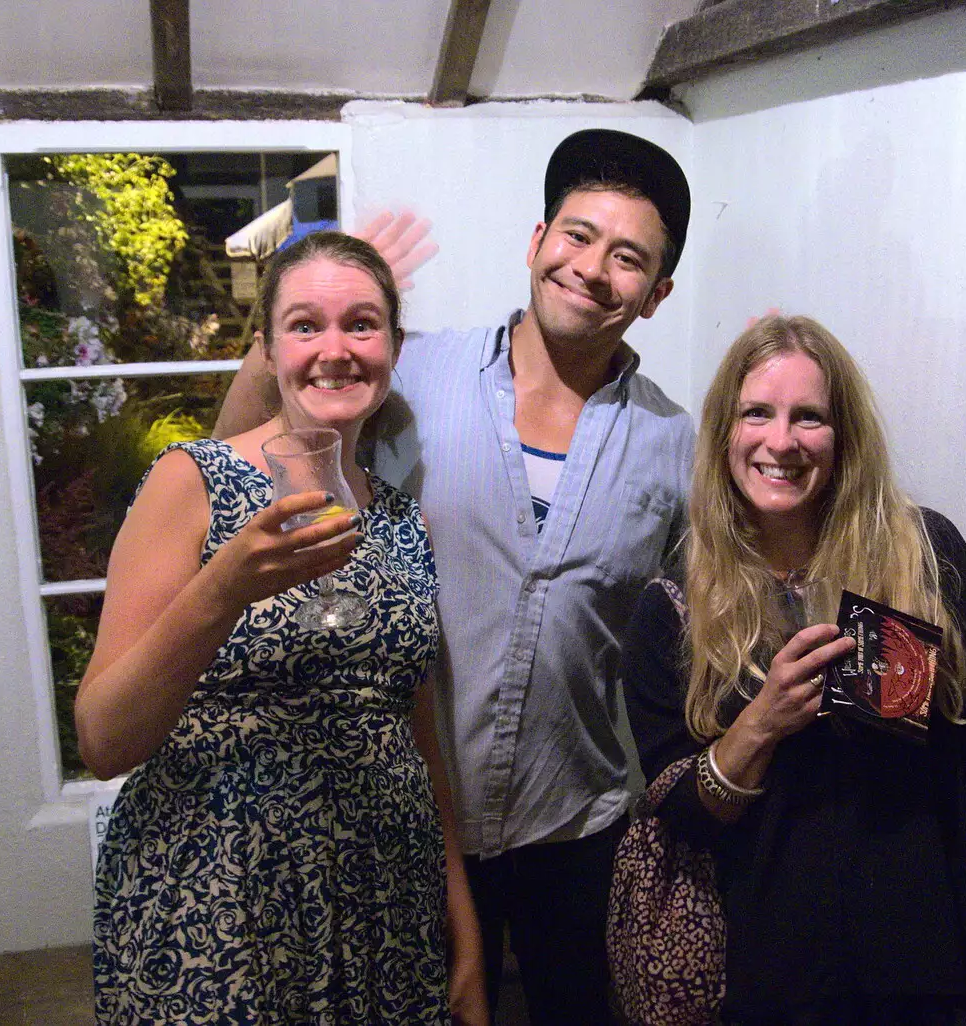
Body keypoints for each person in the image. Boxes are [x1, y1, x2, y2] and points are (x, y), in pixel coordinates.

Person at [216, 129, 695, 1025]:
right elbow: (236, 452)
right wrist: (300, 316)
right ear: (537, 242)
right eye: (577, 236)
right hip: (403, 821)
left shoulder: (675, 445)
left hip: (576, 826)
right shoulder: (416, 373)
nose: (592, 268)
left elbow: (713, 613)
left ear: (656, 295)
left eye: (628, 258)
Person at [77, 230, 486, 1025]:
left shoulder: (405, 523)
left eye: (361, 324)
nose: (335, 350)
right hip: (218, 902)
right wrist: (224, 587)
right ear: (266, 346)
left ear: (394, 347)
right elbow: (102, 740)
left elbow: (415, 732)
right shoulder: (192, 481)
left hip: (384, 903)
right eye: (305, 325)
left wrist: (460, 919)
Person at [620, 315, 966, 1025]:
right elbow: (681, 816)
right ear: (723, 435)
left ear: (843, 437)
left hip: (930, 966)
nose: (782, 441)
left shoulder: (921, 555)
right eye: (758, 414)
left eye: (810, 418)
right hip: (769, 976)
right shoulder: (676, 604)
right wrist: (761, 723)